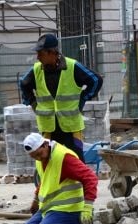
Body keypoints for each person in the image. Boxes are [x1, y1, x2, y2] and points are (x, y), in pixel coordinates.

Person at [19, 33, 103, 162]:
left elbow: (96, 80)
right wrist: (32, 102)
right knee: (48, 162)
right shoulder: (37, 70)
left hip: (71, 126)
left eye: (41, 53)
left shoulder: (72, 66)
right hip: (48, 126)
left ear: (52, 52)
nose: (38, 57)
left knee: (76, 160)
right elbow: (23, 84)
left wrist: (84, 98)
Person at [19, 132, 98, 224]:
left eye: (39, 154)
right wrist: (36, 200)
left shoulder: (64, 158)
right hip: (49, 208)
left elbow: (90, 177)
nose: (38, 158)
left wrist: (88, 207)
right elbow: (45, 180)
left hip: (68, 210)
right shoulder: (41, 159)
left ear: (45, 144)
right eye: (33, 157)